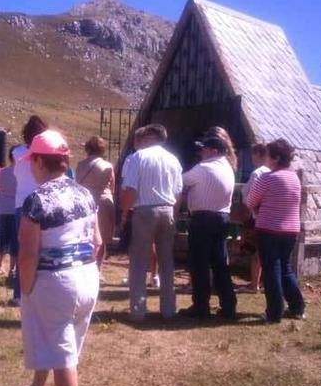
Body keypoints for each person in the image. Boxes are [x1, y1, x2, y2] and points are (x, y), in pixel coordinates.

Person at [0, 130, 101, 386]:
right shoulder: (84, 193)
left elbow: (28, 254)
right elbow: (97, 243)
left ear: (41, 161)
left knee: (62, 355)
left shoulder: (36, 201)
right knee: (60, 344)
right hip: (86, 276)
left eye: (32, 160)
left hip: (55, 281)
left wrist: (26, 289)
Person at [119, 124, 183, 320]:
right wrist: (175, 213)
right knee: (166, 260)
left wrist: (124, 212)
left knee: (139, 261)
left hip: (144, 210)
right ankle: (168, 309)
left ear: (150, 137)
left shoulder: (139, 157)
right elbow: (178, 192)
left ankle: (138, 310)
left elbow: (130, 189)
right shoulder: (173, 159)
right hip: (168, 209)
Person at [245, 139, 306, 323]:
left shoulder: (267, 178)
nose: (265, 159)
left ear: (276, 158)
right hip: (290, 230)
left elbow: (250, 202)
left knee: (272, 271)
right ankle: (297, 307)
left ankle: (274, 312)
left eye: (268, 155)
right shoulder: (294, 178)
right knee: (285, 269)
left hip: (269, 229)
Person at [179, 137, 237, 320]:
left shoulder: (203, 168)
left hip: (203, 218)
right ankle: (228, 304)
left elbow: (181, 180)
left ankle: (201, 305)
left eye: (204, 149)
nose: (201, 152)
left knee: (199, 264)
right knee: (220, 262)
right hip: (222, 217)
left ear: (213, 151)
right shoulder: (227, 168)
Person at [11, 115, 49, 305]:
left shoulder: (17, 152)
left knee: (23, 249)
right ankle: (37, 291)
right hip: (42, 202)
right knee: (42, 248)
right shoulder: (44, 156)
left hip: (20, 203)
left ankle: (19, 293)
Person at [236, 143, 271, 294]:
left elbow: (248, 191)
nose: (252, 157)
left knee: (256, 250)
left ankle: (254, 284)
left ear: (260, 155)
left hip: (256, 215)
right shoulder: (271, 172)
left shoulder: (258, 173)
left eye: (254, 154)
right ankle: (262, 281)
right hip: (269, 215)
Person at [75, 136, 115, 266]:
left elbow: (77, 184)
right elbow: (113, 186)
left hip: (85, 201)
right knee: (101, 237)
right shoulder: (108, 166)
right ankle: (98, 268)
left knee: (85, 235)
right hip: (103, 201)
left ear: (88, 149)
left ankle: (85, 263)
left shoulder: (80, 165)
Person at [0, 147, 18, 277]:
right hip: (16, 208)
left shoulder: (3, 172)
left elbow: (0, 187)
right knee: (15, 240)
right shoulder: (23, 173)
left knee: (2, 238)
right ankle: (12, 269)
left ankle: (0, 267)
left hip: (3, 207)